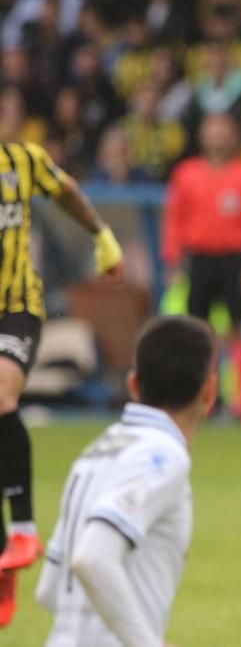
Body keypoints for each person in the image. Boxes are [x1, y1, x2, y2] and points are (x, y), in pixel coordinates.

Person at [0, 141, 125, 627]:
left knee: (1, 392)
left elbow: (66, 189)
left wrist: (102, 234)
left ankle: (25, 529)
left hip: (16, 308)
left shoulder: (21, 160)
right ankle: (4, 563)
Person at [34, 315, 216, 646]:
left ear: (133, 385)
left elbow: (50, 590)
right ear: (210, 390)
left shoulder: (97, 451)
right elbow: (91, 558)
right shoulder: (160, 456)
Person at [161, 112, 241, 414]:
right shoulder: (186, 175)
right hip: (200, 257)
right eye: (213, 130)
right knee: (200, 331)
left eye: (224, 130)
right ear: (202, 136)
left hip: (234, 259)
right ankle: (203, 395)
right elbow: (174, 220)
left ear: (234, 136)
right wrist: (172, 259)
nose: (218, 136)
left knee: (239, 329)